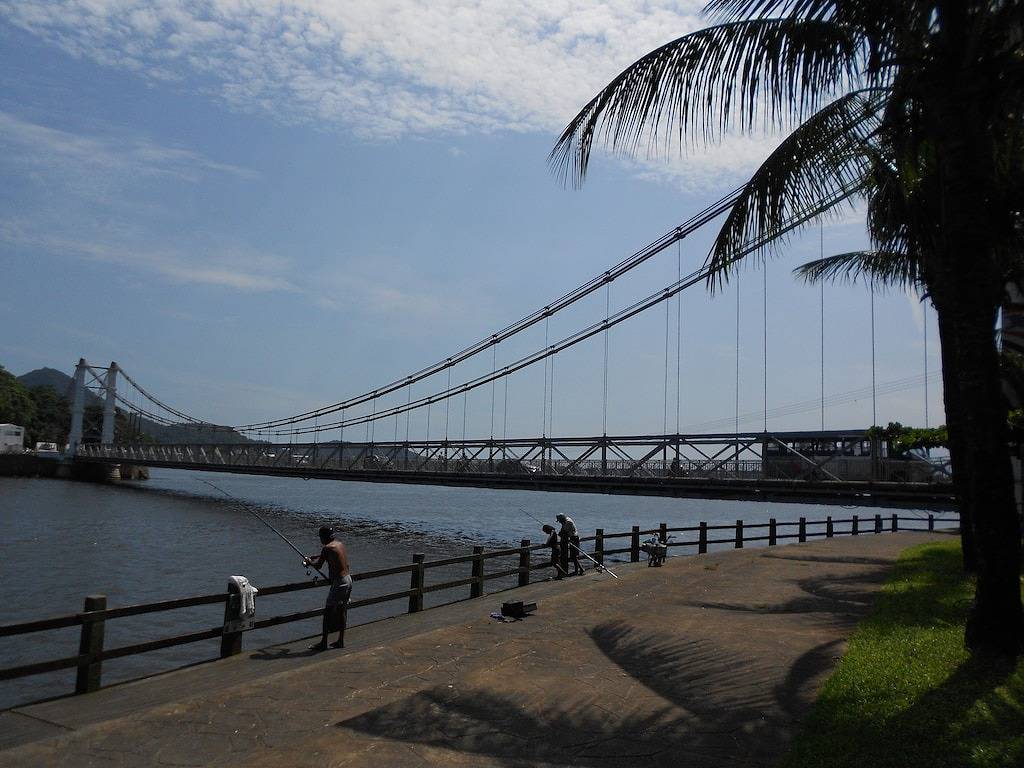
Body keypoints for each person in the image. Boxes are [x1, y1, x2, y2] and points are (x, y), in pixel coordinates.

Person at [304, 525, 352, 651]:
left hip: (339, 582)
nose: (320, 539)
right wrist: (316, 556)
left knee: (327, 613)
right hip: (348, 579)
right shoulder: (339, 544)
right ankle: (340, 640)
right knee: (342, 610)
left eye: (320, 536)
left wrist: (309, 562)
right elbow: (331, 555)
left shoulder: (326, 548)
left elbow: (318, 566)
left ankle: (323, 643)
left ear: (324, 536)